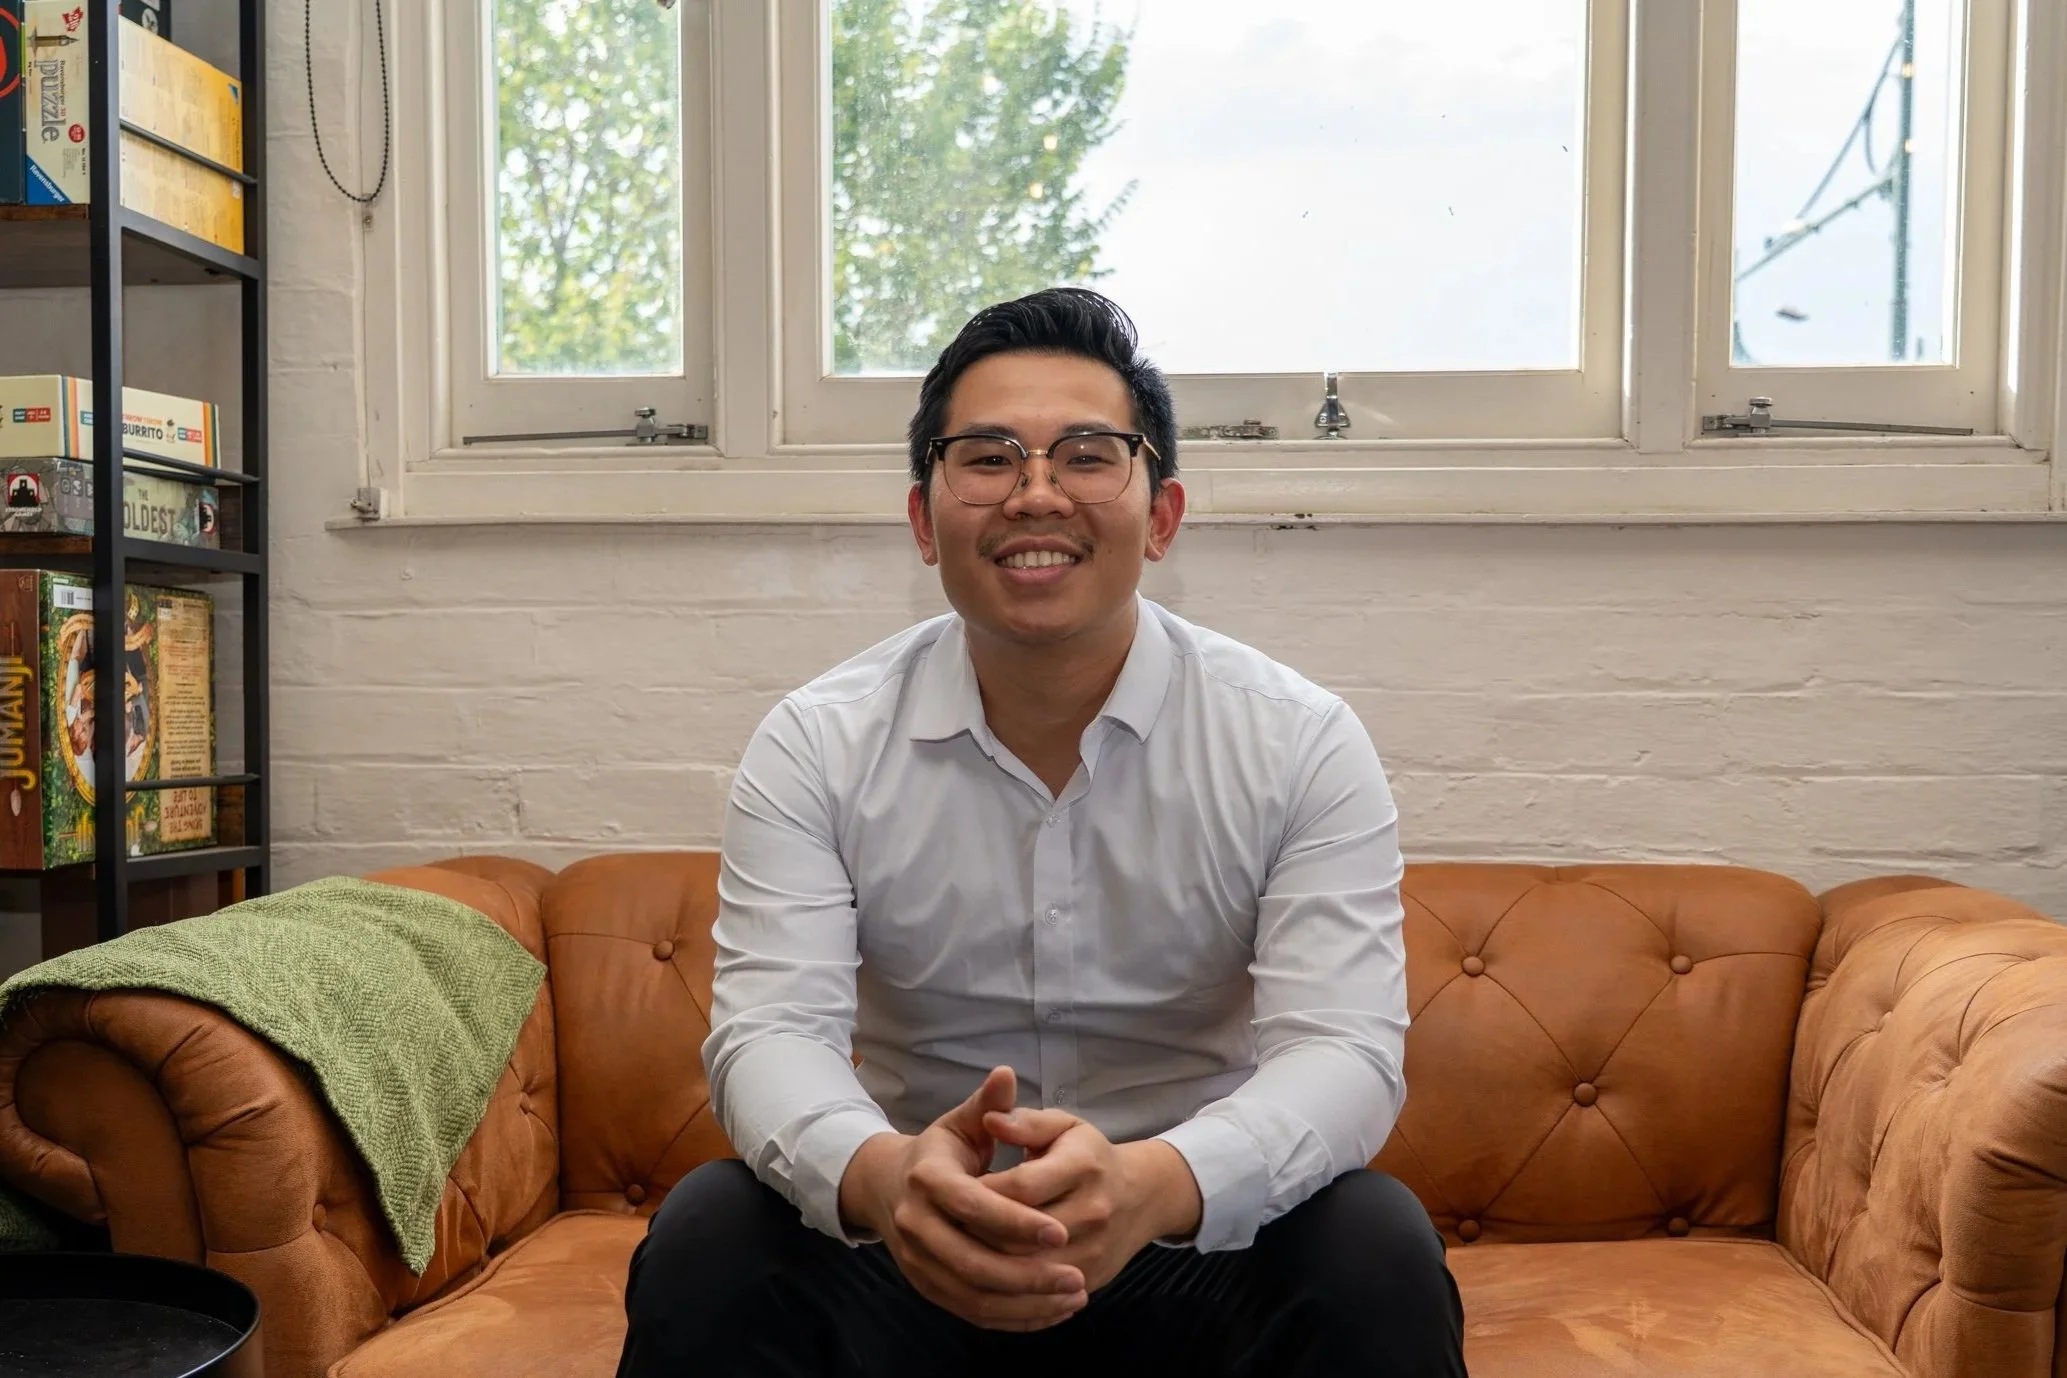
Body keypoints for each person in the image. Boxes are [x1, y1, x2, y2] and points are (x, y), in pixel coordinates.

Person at [616, 288, 1467, 1378]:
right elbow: (769, 1034)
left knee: (1373, 1243)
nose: (1035, 493)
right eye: (986, 456)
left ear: (1161, 515)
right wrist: (891, 1180)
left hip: (1183, 1239)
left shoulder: (1297, 742)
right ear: (925, 521)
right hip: (918, 1243)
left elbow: (1343, 1051)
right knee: (712, 1231)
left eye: (1087, 454)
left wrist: (1152, 1184)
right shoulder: (817, 743)